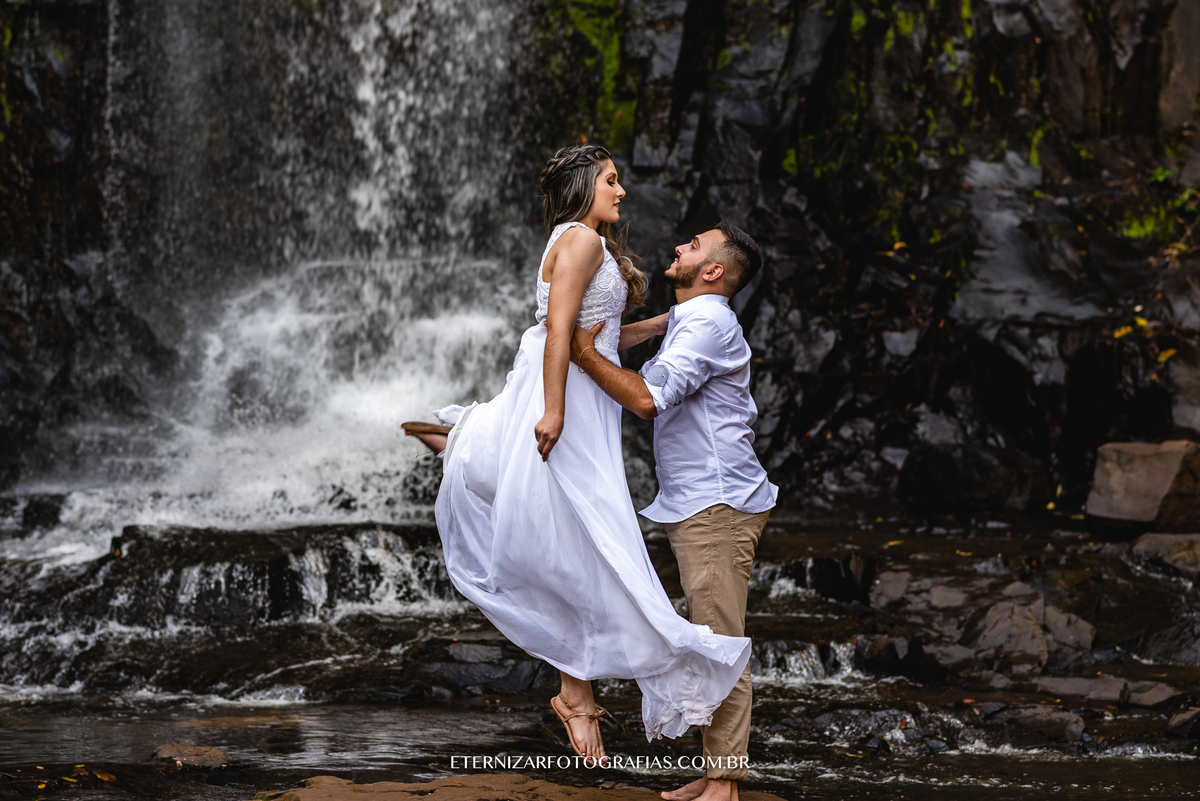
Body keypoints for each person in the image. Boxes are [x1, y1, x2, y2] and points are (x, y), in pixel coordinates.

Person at [403, 143, 751, 764]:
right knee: (582, 533)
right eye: (611, 181)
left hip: (581, 392)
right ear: (586, 185)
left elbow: (601, 336)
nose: (621, 191)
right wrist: (556, 410)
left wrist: (662, 326)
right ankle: (577, 692)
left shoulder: (584, 240)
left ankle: (460, 441)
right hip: (571, 394)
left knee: (571, 528)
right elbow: (561, 333)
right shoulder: (584, 243)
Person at [569, 221, 776, 801]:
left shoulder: (708, 322)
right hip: (706, 503)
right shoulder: (694, 317)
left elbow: (646, 399)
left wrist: (582, 351)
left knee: (719, 641)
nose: (680, 246)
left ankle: (725, 786)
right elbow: (652, 333)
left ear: (712, 271)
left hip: (717, 505)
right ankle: (714, 775)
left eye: (694, 246)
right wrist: (570, 332)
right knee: (708, 635)